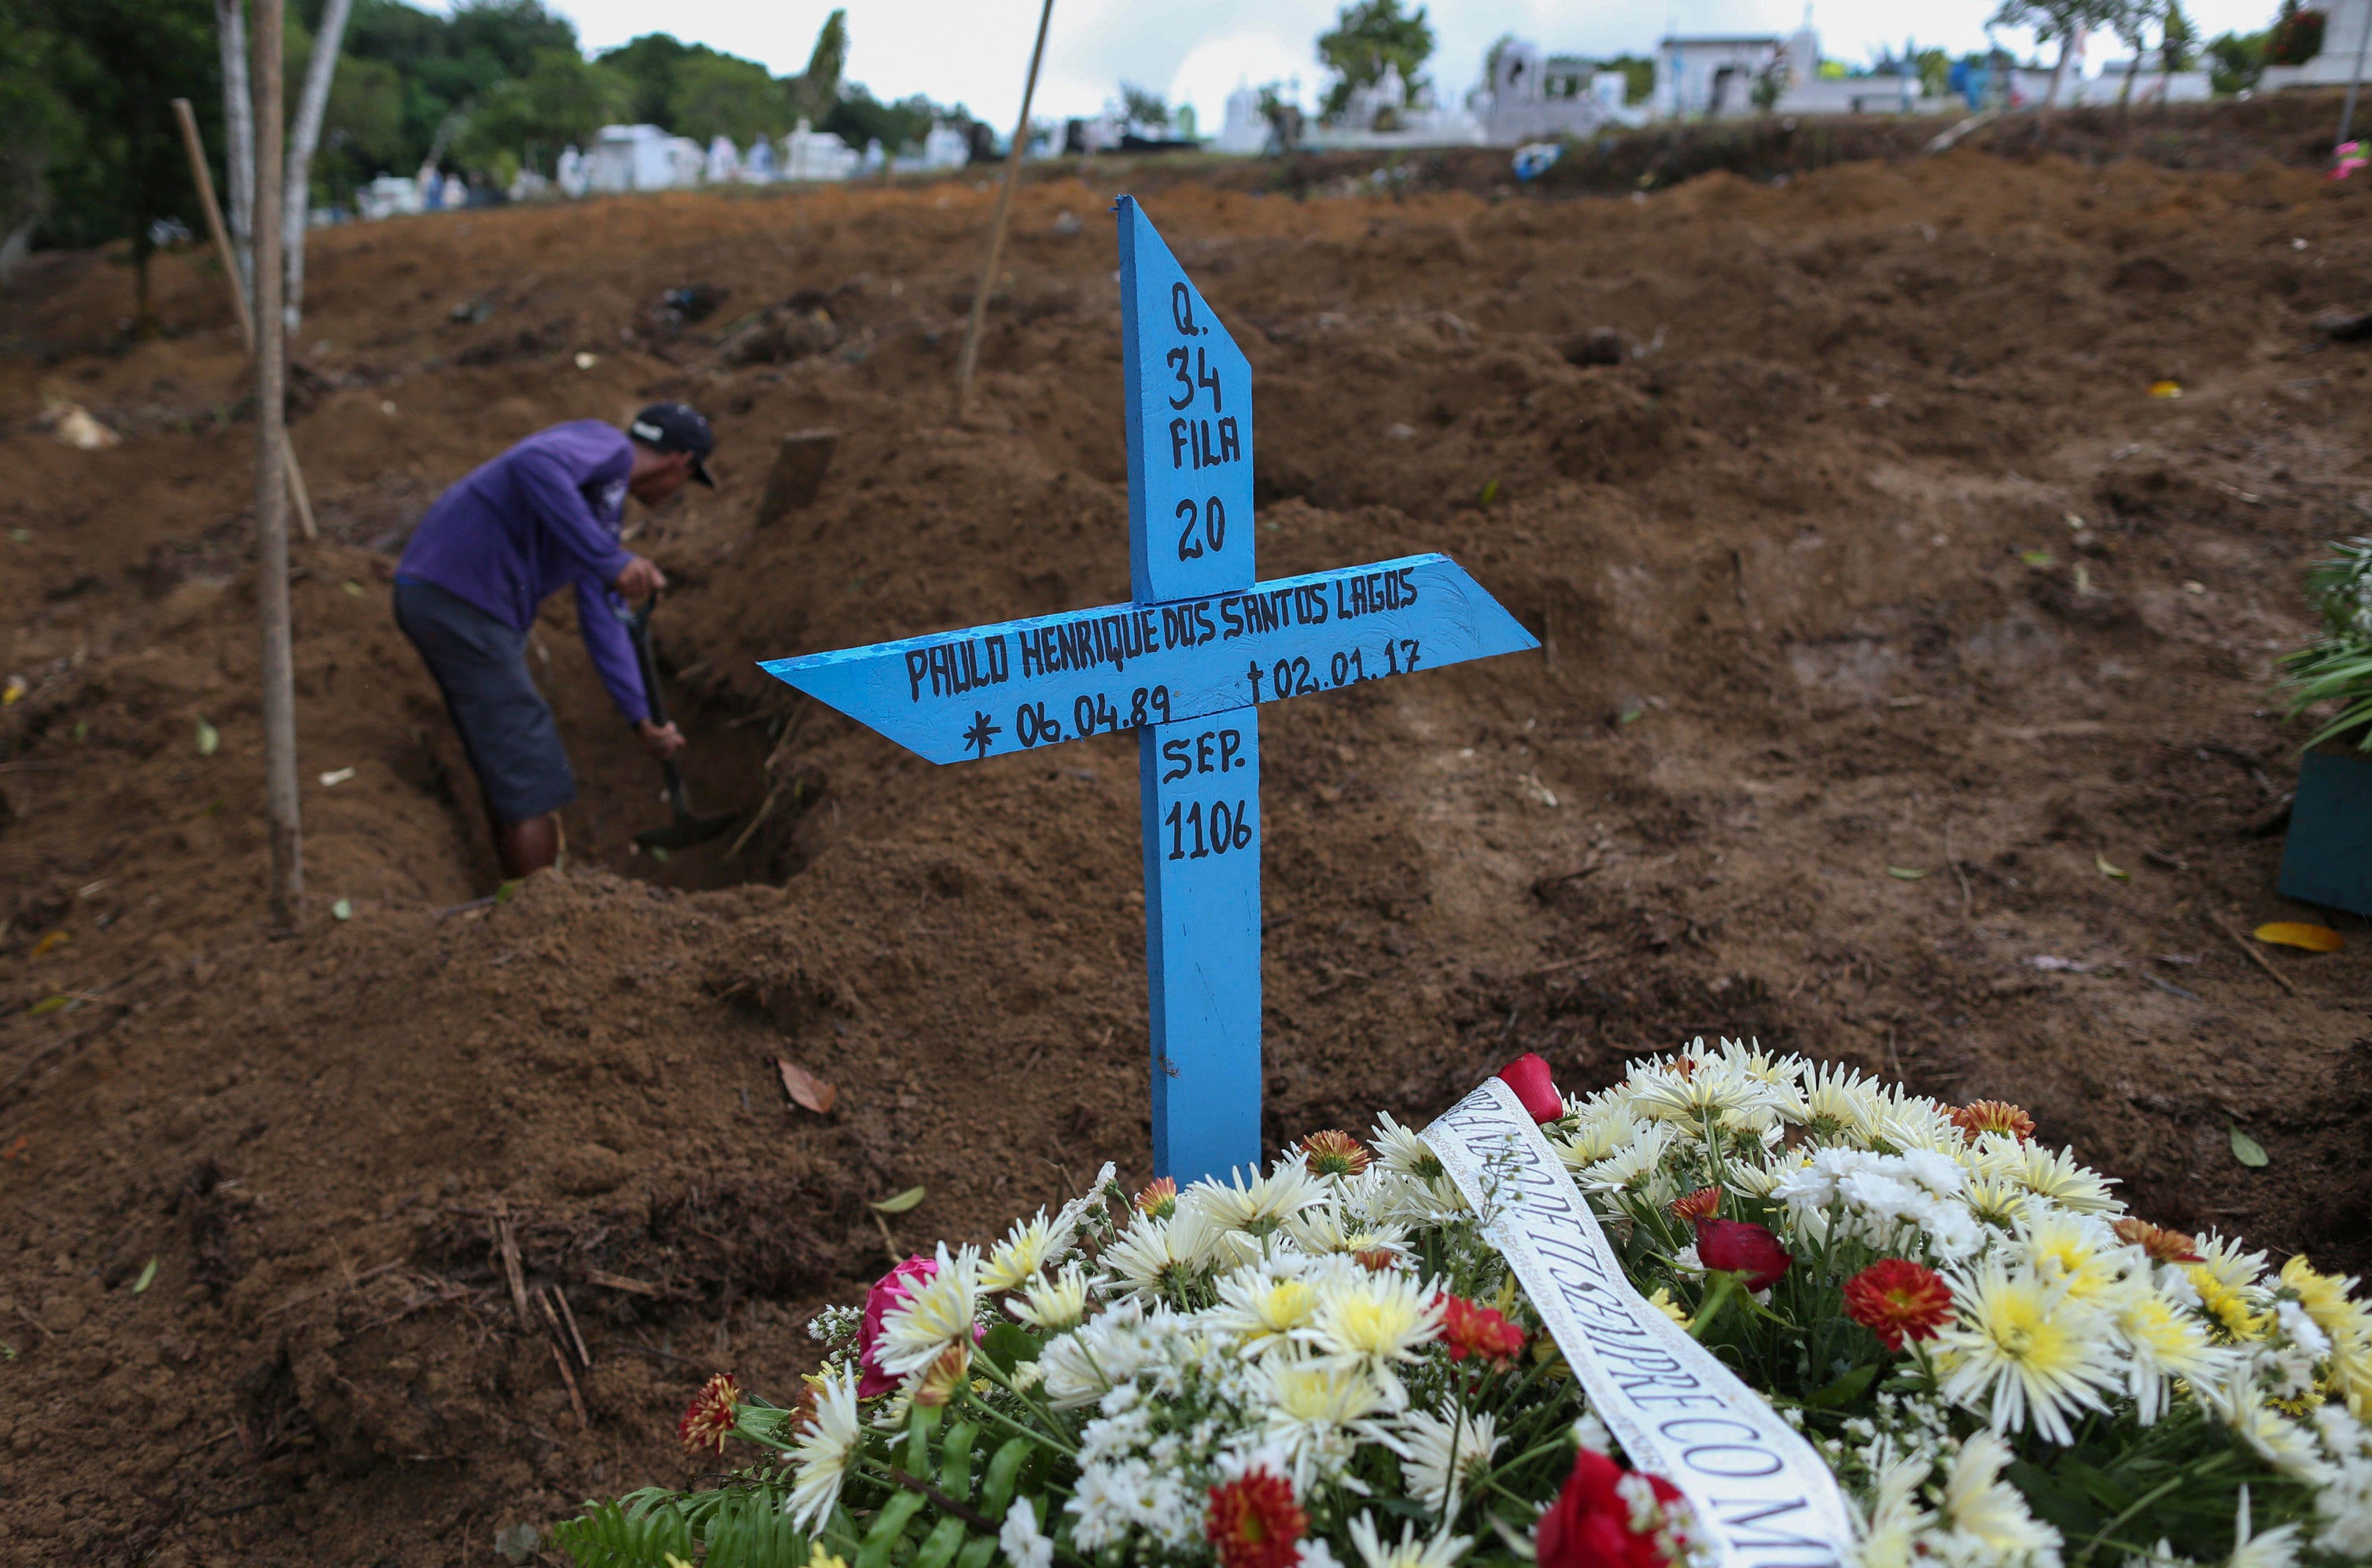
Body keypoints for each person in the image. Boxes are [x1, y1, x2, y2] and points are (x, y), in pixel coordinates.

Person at [393, 403, 717, 879]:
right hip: (459, 600)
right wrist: (610, 560)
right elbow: (533, 463)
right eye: (685, 482)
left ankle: (521, 897)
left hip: (460, 604)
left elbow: (603, 617)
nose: (675, 493)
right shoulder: (606, 446)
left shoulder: (601, 510)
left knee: (510, 757)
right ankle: (538, 909)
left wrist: (640, 715)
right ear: (680, 463)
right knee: (528, 758)